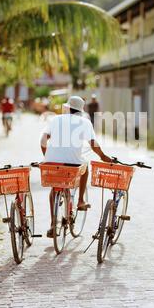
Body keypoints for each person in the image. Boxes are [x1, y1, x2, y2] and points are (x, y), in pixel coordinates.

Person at [40, 95, 111, 238]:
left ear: (67, 107)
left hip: (52, 163)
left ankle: (53, 224)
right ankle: (80, 201)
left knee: (55, 189)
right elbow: (93, 144)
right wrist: (103, 157)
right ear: (81, 110)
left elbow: (43, 139)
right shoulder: (85, 122)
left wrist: (47, 157)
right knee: (85, 168)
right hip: (73, 164)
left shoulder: (55, 119)